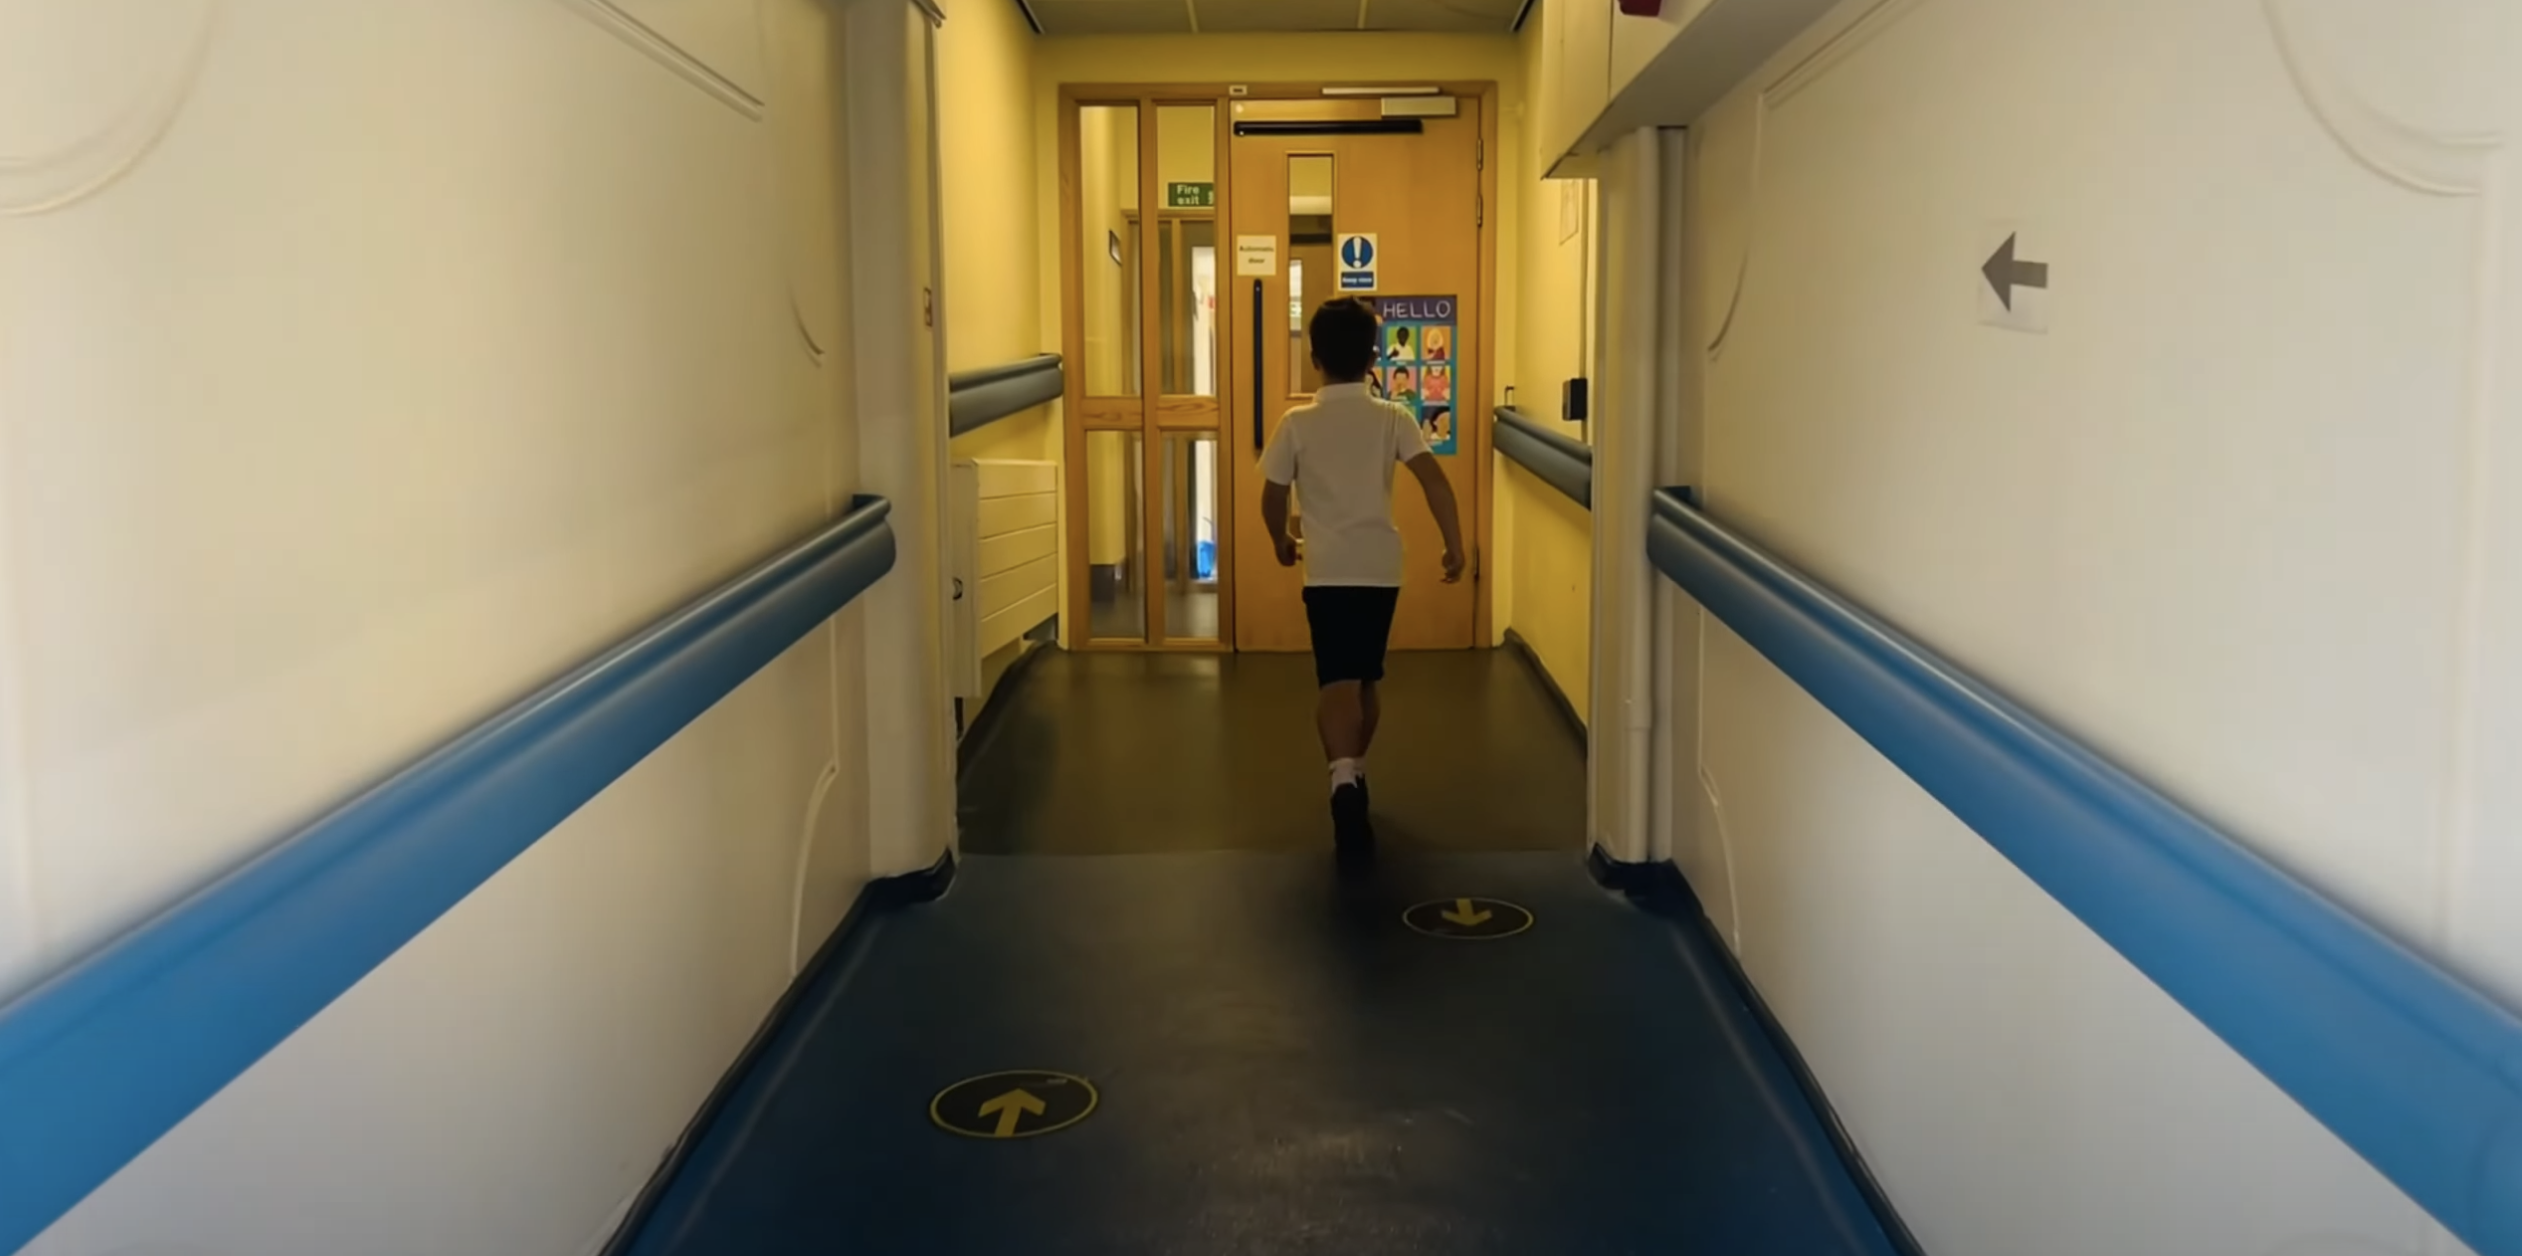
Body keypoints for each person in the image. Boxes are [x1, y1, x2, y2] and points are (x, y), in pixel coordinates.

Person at [1259, 297, 1467, 858]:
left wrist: (1280, 540)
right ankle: (1356, 770)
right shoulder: (1393, 418)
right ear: (1374, 358)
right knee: (1366, 679)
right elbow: (1435, 482)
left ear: (1314, 358)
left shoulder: (1296, 423)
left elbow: (1272, 494)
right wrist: (1454, 545)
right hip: (1380, 569)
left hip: (1328, 570)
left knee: (1336, 680)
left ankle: (1342, 779)